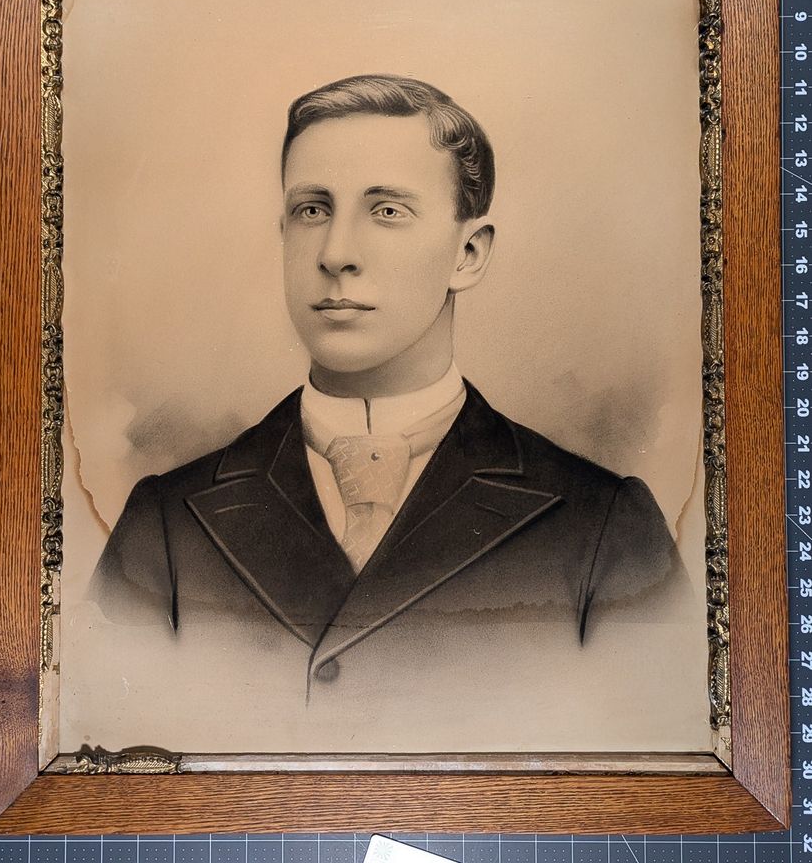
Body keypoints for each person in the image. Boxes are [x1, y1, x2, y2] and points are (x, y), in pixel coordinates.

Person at [90, 73, 686, 702]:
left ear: (470, 254)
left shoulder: (603, 525)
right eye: (312, 210)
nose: (336, 252)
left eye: (387, 211)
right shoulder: (164, 520)